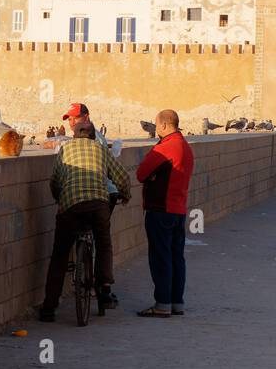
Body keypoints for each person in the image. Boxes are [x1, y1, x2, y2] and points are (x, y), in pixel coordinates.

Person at [39, 122, 132, 322]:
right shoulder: (100, 149)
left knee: (60, 254)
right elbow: (121, 176)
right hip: (98, 205)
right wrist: (126, 194)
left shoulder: (64, 150)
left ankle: (49, 308)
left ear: (73, 135)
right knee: (103, 243)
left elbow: (54, 180)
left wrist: (59, 198)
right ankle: (104, 291)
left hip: (70, 205)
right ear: (92, 136)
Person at [134, 109, 195, 317]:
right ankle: (177, 302)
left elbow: (141, 173)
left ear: (164, 125)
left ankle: (162, 304)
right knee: (176, 257)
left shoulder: (167, 146)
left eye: (157, 124)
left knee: (160, 257)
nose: (156, 128)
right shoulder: (185, 146)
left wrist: (152, 178)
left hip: (161, 209)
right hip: (178, 209)